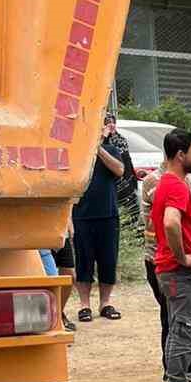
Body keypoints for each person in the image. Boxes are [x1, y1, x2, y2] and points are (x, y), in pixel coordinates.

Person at [142, 138, 191, 382]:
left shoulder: (180, 181)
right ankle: (175, 378)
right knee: (177, 321)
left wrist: (188, 207)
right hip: (169, 262)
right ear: (179, 154)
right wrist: (181, 256)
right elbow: (171, 221)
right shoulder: (163, 182)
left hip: (176, 263)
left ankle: (188, 368)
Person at [72, 112, 128, 322]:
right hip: (82, 215)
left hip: (108, 215)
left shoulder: (112, 150)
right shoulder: (78, 151)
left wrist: (98, 148)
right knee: (84, 261)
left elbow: (120, 170)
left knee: (108, 260)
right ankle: (84, 305)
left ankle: (105, 303)